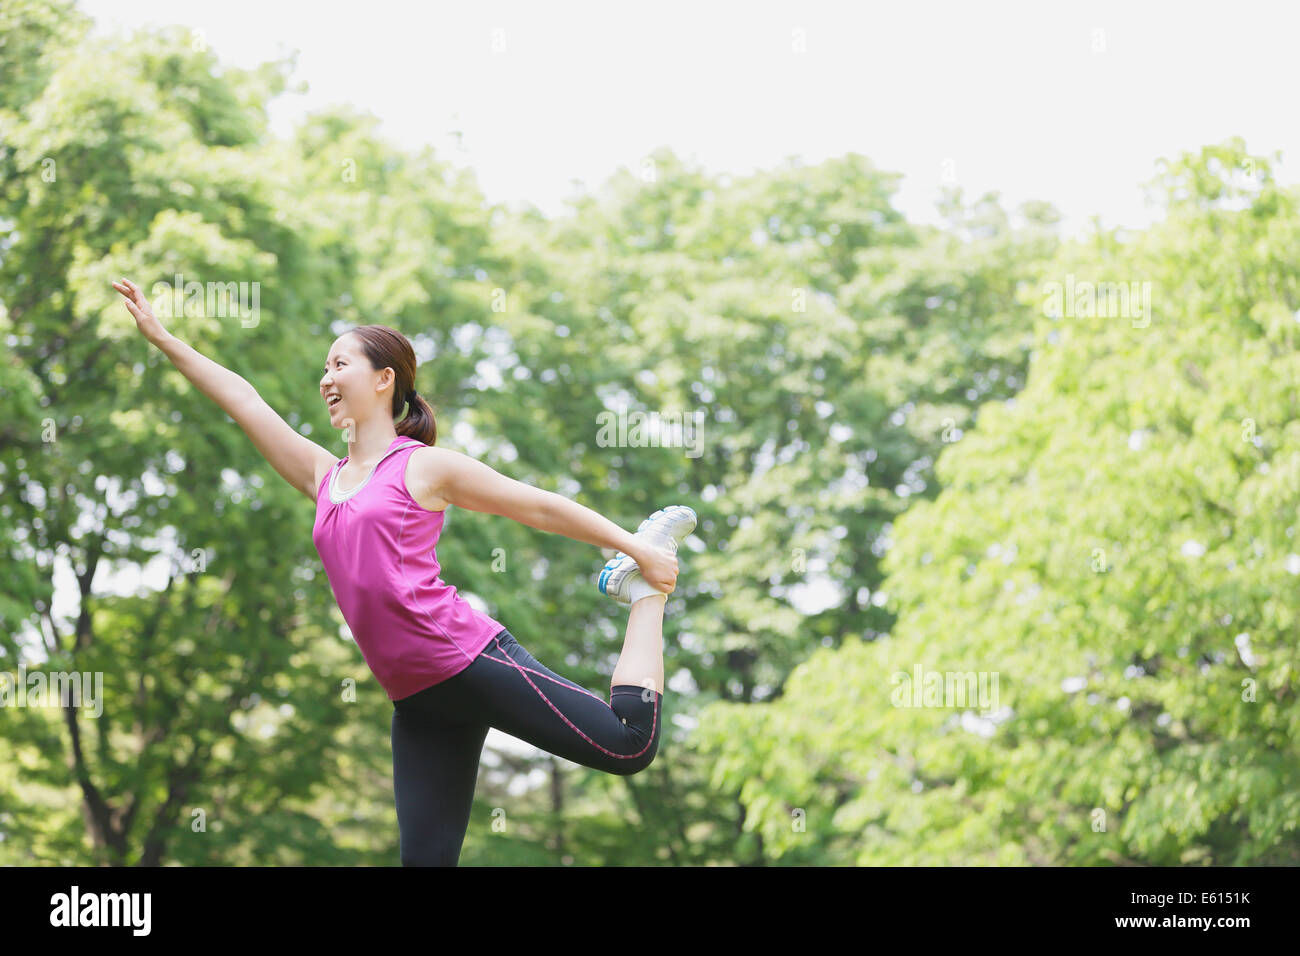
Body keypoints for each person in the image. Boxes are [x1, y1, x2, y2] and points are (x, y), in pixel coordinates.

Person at [113, 277, 696, 866]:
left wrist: (636, 547)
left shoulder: (422, 468)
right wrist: (163, 337)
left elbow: (536, 505)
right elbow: (243, 399)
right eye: (324, 367)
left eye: (340, 363)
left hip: (470, 662)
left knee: (629, 744)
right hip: (417, 701)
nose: (326, 379)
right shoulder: (323, 477)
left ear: (383, 378)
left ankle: (643, 594)